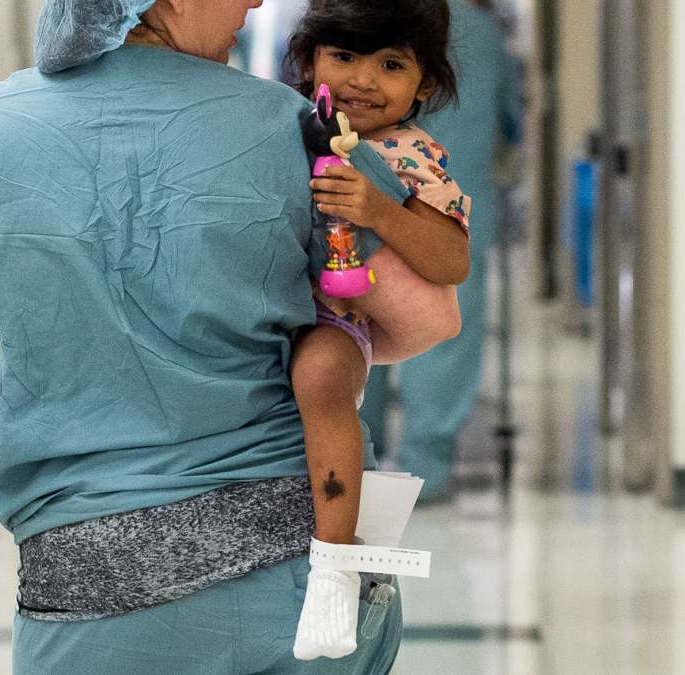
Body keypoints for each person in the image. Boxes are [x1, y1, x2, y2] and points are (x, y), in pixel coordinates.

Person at [0, 0, 461, 672]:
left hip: (84, 589)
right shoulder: (297, 130)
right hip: (295, 587)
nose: (257, 2)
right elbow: (430, 317)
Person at [282, 0, 471, 660]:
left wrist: (382, 210)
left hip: (336, 315)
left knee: (323, 374)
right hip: (251, 305)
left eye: (390, 64)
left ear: (423, 87)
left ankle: (333, 565)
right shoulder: (277, 126)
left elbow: (452, 259)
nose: (363, 78)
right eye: (344, 56)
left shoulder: (413, 157)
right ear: (309, 64)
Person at [360, 0, 523, 501]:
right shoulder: (479, 33)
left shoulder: (361, 20)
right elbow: (512, 121)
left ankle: (359, 456)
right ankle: (424, 468)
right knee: (445, 328)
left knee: (359, 321)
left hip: (363, 197)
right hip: (451, 207)